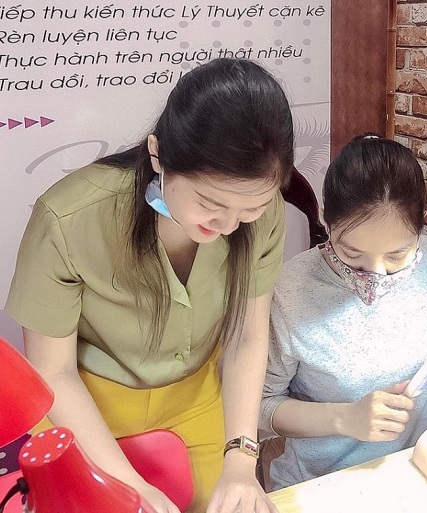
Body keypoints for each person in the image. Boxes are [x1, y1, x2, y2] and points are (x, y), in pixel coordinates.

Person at [6, 58, 294, 513]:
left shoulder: (266, 213)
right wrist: (127, 484)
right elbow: (53, 371)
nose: (227, 225)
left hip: (198, 398)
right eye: (209, 202)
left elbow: (246, 335)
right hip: (86, 406)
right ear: (158, 154)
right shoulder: (68, 219)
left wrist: (241, 459)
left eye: (249, 211)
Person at [259, 134, 427, 490]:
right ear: (327, 221)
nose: (377, 273)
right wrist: (345, 418)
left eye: (396, 255)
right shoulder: (291, 289)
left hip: (412, 474)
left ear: (420, 228)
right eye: (353, 254)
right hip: (319, 486)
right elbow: (262, 407)